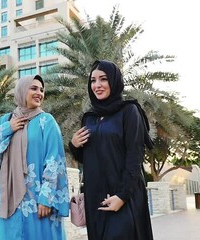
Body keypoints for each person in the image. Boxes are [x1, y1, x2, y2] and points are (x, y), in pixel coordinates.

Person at [69, 60, 154, 240]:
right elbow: (89, 158)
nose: (97, 85)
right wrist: (74, 146)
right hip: (96, 199)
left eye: (103, 79)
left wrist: (121, 197)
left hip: (124, 196)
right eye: (93, 80)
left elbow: (135, 157)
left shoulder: (129, 111)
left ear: (114, 81)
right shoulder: (90, 118)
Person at [0, 75, 70, 239]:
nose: (39, 93)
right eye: (34, 88)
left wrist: (46, 198)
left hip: (37, 199)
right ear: (21, 91)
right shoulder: (6, 119)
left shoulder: (47, 121)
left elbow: (55, 161)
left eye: (42, 90)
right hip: (8, 200)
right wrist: (8, 128)